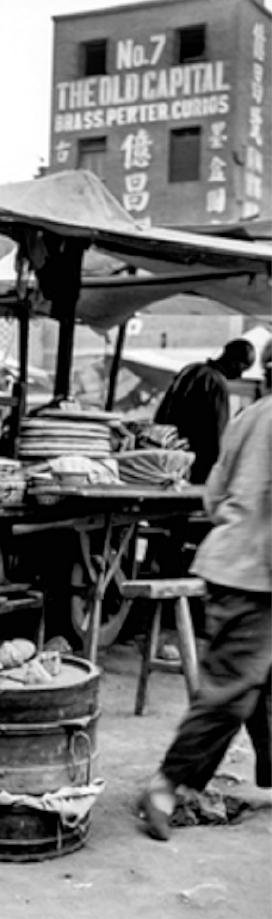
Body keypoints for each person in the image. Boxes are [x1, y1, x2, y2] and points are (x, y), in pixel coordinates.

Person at [138, 338, 272, 841]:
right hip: (253, 572)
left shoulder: (250, 415)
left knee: (262, 683)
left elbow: (214, 494)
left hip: (230, 561)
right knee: (232, 689)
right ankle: (167, 784)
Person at [154, 338, 255, 483]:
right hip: (194, 466)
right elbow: (216, 434)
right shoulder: (216, 383)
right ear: (235, 362)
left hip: (166, 456)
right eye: (243, 368)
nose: (240, 375)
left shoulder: (190, 369)